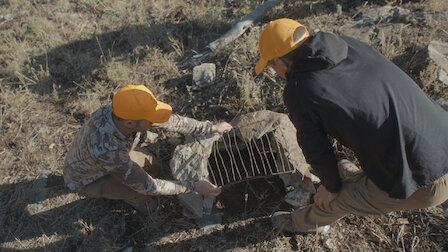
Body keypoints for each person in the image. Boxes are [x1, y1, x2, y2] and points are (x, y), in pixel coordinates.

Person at [254, 18, 448, 233]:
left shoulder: (300, 89)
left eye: (271, 65)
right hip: (441, 138)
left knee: (332, 200)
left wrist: (330, 187)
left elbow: (316, 148)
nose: (275, 71)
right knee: (347, 172)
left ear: (280, 61)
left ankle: (297, 223)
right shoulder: (349, 44)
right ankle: (354, 177)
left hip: (426, 179)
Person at [63, 84, 233, 212]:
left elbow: (172, 122)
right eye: (150, 120)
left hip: (114, 157)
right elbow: (148, 185)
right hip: (88, 178)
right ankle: (145, 206)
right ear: (130, 123)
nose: (155, 122)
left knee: (154, 164)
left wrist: (211, 128)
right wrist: (193, 186)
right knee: (139, 191)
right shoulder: (107, 149)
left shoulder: (122, 110)